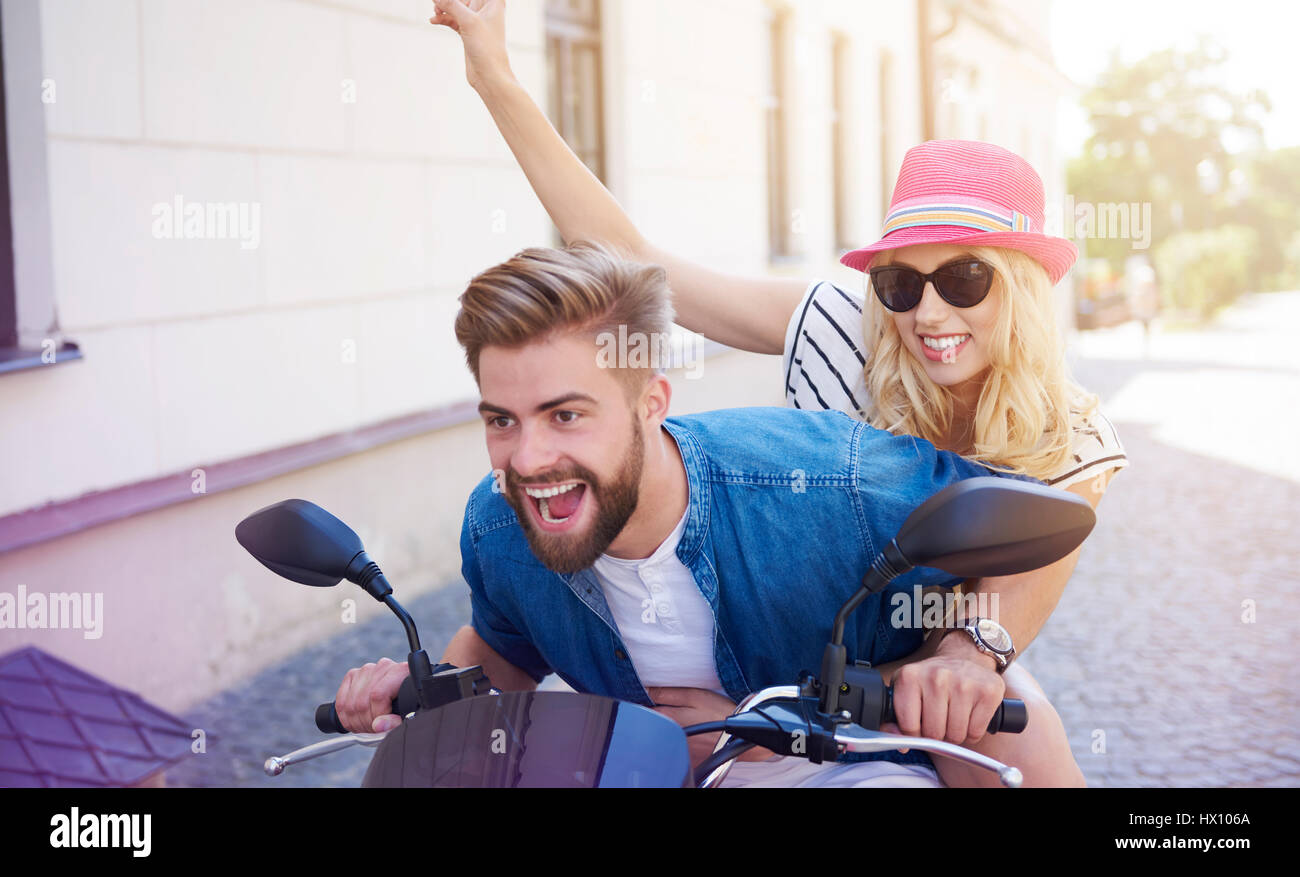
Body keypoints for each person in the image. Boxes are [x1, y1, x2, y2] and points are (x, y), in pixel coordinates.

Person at [426, 0, 1127, 787]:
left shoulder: (1073, 428)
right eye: (902, 283)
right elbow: (631, 257)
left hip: (934, 663)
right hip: (787, 639)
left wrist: (965, 652)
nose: (928, 312)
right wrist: (494, 77)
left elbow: (1033, 563)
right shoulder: (844, 324)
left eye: (967, 279)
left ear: (1020, 288)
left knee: (1018, 741)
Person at [332, 244, 1079, 787]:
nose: (526, 459)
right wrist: (419, 687)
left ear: (651, 402)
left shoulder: (830, 479)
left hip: (861, 764)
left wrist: (967, 650)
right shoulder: (499, 526)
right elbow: (504, 650)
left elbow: (1038, 523)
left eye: (565, 415)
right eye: (502, 419)